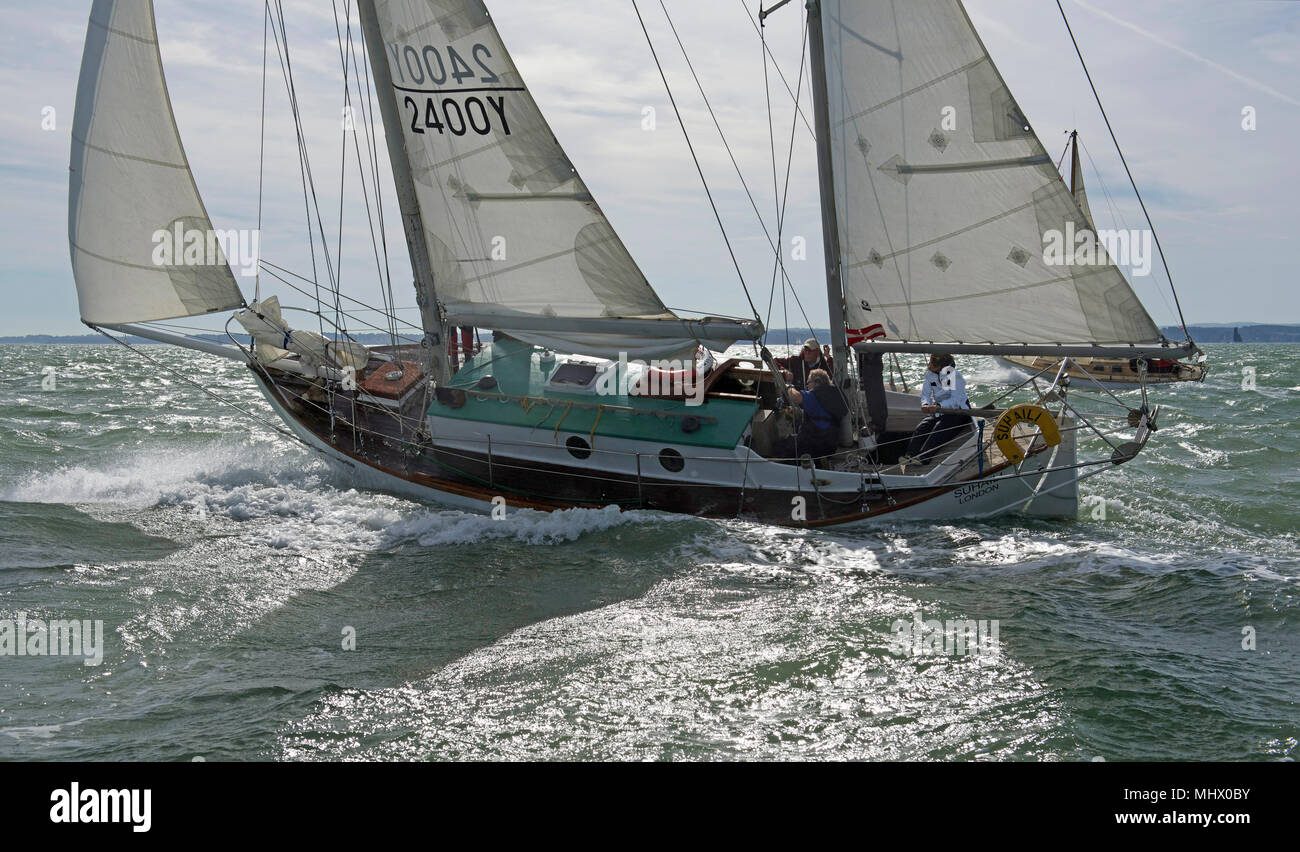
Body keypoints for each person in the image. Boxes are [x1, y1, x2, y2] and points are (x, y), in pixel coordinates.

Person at [901, 353, 972, 466]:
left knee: (939, 429)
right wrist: (925, 404)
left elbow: (957, 400)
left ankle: (924, 458)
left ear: (941, 366)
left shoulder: (955, 376)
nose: (929, 364)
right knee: (923, 426)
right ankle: (910, 455)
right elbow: (925, 393)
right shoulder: (930, 374)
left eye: (932, 363)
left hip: (958, 411)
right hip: (938, 410)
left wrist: (939, 406)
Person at [771, 369, 848, 463]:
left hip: (813, 445)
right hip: (831, 445)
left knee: (779, 445)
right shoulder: (835, 394)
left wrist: (789, 387)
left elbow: (796, 397)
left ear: (816, 382)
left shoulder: (815, 395)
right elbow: (823, 414)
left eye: (808, 383)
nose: (807, 386)